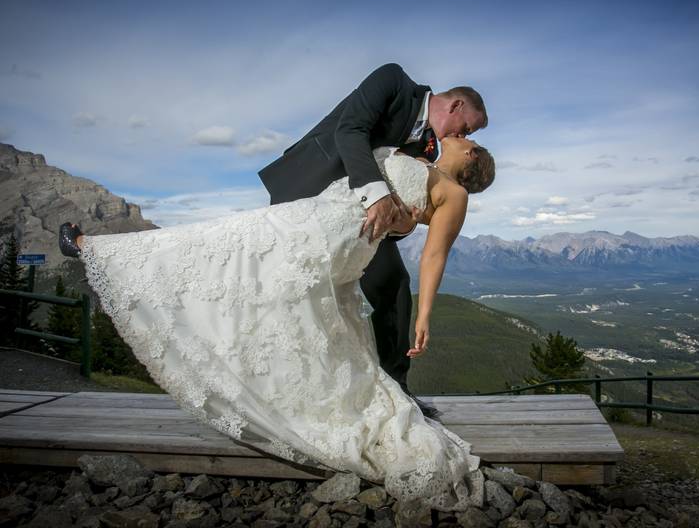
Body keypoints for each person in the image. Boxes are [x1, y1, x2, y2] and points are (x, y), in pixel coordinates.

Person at [58, 139, 495, 510]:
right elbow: (393, 212)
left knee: (227, 244)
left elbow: (434, 255)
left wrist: (422, 315)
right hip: (324, 220)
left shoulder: (454, 193)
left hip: (328, 234)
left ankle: (95, 250)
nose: (453, 136)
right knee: (259, 287)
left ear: (470, 153)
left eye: (463, 136)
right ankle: (270, 386)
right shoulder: (421, 161)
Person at [257, 63, 488, 418]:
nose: (462, 134)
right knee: (296, 293)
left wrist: (405, 223)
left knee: (395, 285)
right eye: (467, 127)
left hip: (365, 227)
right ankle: (281, 388)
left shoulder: (429, 148)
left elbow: (410, 201)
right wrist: (378, 196)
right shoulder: (395, 82)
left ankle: (397, 393)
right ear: (456, 106)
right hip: (313, 192)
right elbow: (350, 131)